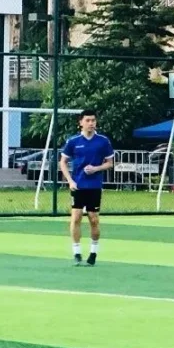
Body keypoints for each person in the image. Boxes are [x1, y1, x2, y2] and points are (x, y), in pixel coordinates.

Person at [59, 109, 114, 267]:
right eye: (88, 120)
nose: (91, 123)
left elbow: (110, 163)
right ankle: (76, 252)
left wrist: (96, 168)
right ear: (81, 122)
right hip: (78, 186)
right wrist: (70, 181)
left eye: (93, 120)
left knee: (93, 219)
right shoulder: (73, 141)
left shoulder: (103, 141)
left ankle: (93, 252)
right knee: (76, 217)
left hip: (94, 186)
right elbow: (63, 162)